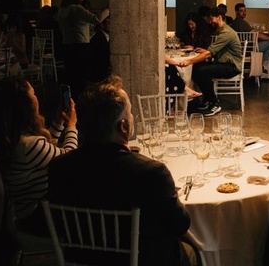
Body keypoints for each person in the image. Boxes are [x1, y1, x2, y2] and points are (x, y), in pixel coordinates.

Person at [48, 76, 196, 266]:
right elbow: (181, 225)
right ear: (124, 126)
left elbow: (60, 225)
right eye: (131, 112)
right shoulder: (152, 173)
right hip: (144, 261)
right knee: (194, 251)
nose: (132, 117)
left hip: (84, 260)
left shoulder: (59, 168)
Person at [0, 76, 78, 235]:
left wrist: (58, 123)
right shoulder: (29, 145)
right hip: (39, 220)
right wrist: (71, 126)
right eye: (33, 94)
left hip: (26, 215)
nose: (37, 98)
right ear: (25, 105)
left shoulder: (16, 141)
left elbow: (47, 152)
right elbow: (69, 160)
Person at [177, 7, 242, 117]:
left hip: (232, 67)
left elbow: (209, 53)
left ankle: (214, 103)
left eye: (212, 19)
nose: (210, 22)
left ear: (219, 18)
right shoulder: (222, 31)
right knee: (198, 68)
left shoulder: (226, 33)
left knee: (202, 71)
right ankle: (207, 99)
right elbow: (213, 50)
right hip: (224, 63)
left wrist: (189, 61)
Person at [56, 0, 108, 99]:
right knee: (81, 79)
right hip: (80, 48)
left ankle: (70, 105)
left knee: (71, 78)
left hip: (67, 47)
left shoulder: (62, 9)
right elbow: (97, 18)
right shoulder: (76, 9)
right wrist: (108, 9)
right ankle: (81, 106)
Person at [231, 2, 269, 67]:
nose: (244, 13)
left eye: (245, 10)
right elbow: (256, 34)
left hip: (239, 49)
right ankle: (261, 64)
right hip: (248, 49)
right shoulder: (242, 23)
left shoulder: (235, 22)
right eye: (241, 11)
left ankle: (260, 64)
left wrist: (266, 35)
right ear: (236, 12)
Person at [89, 12, 112, 83]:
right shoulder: (97, 39)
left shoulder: (109, 37)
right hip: (99, 75)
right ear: (102, 24)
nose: (112, 25)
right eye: (108, 23)